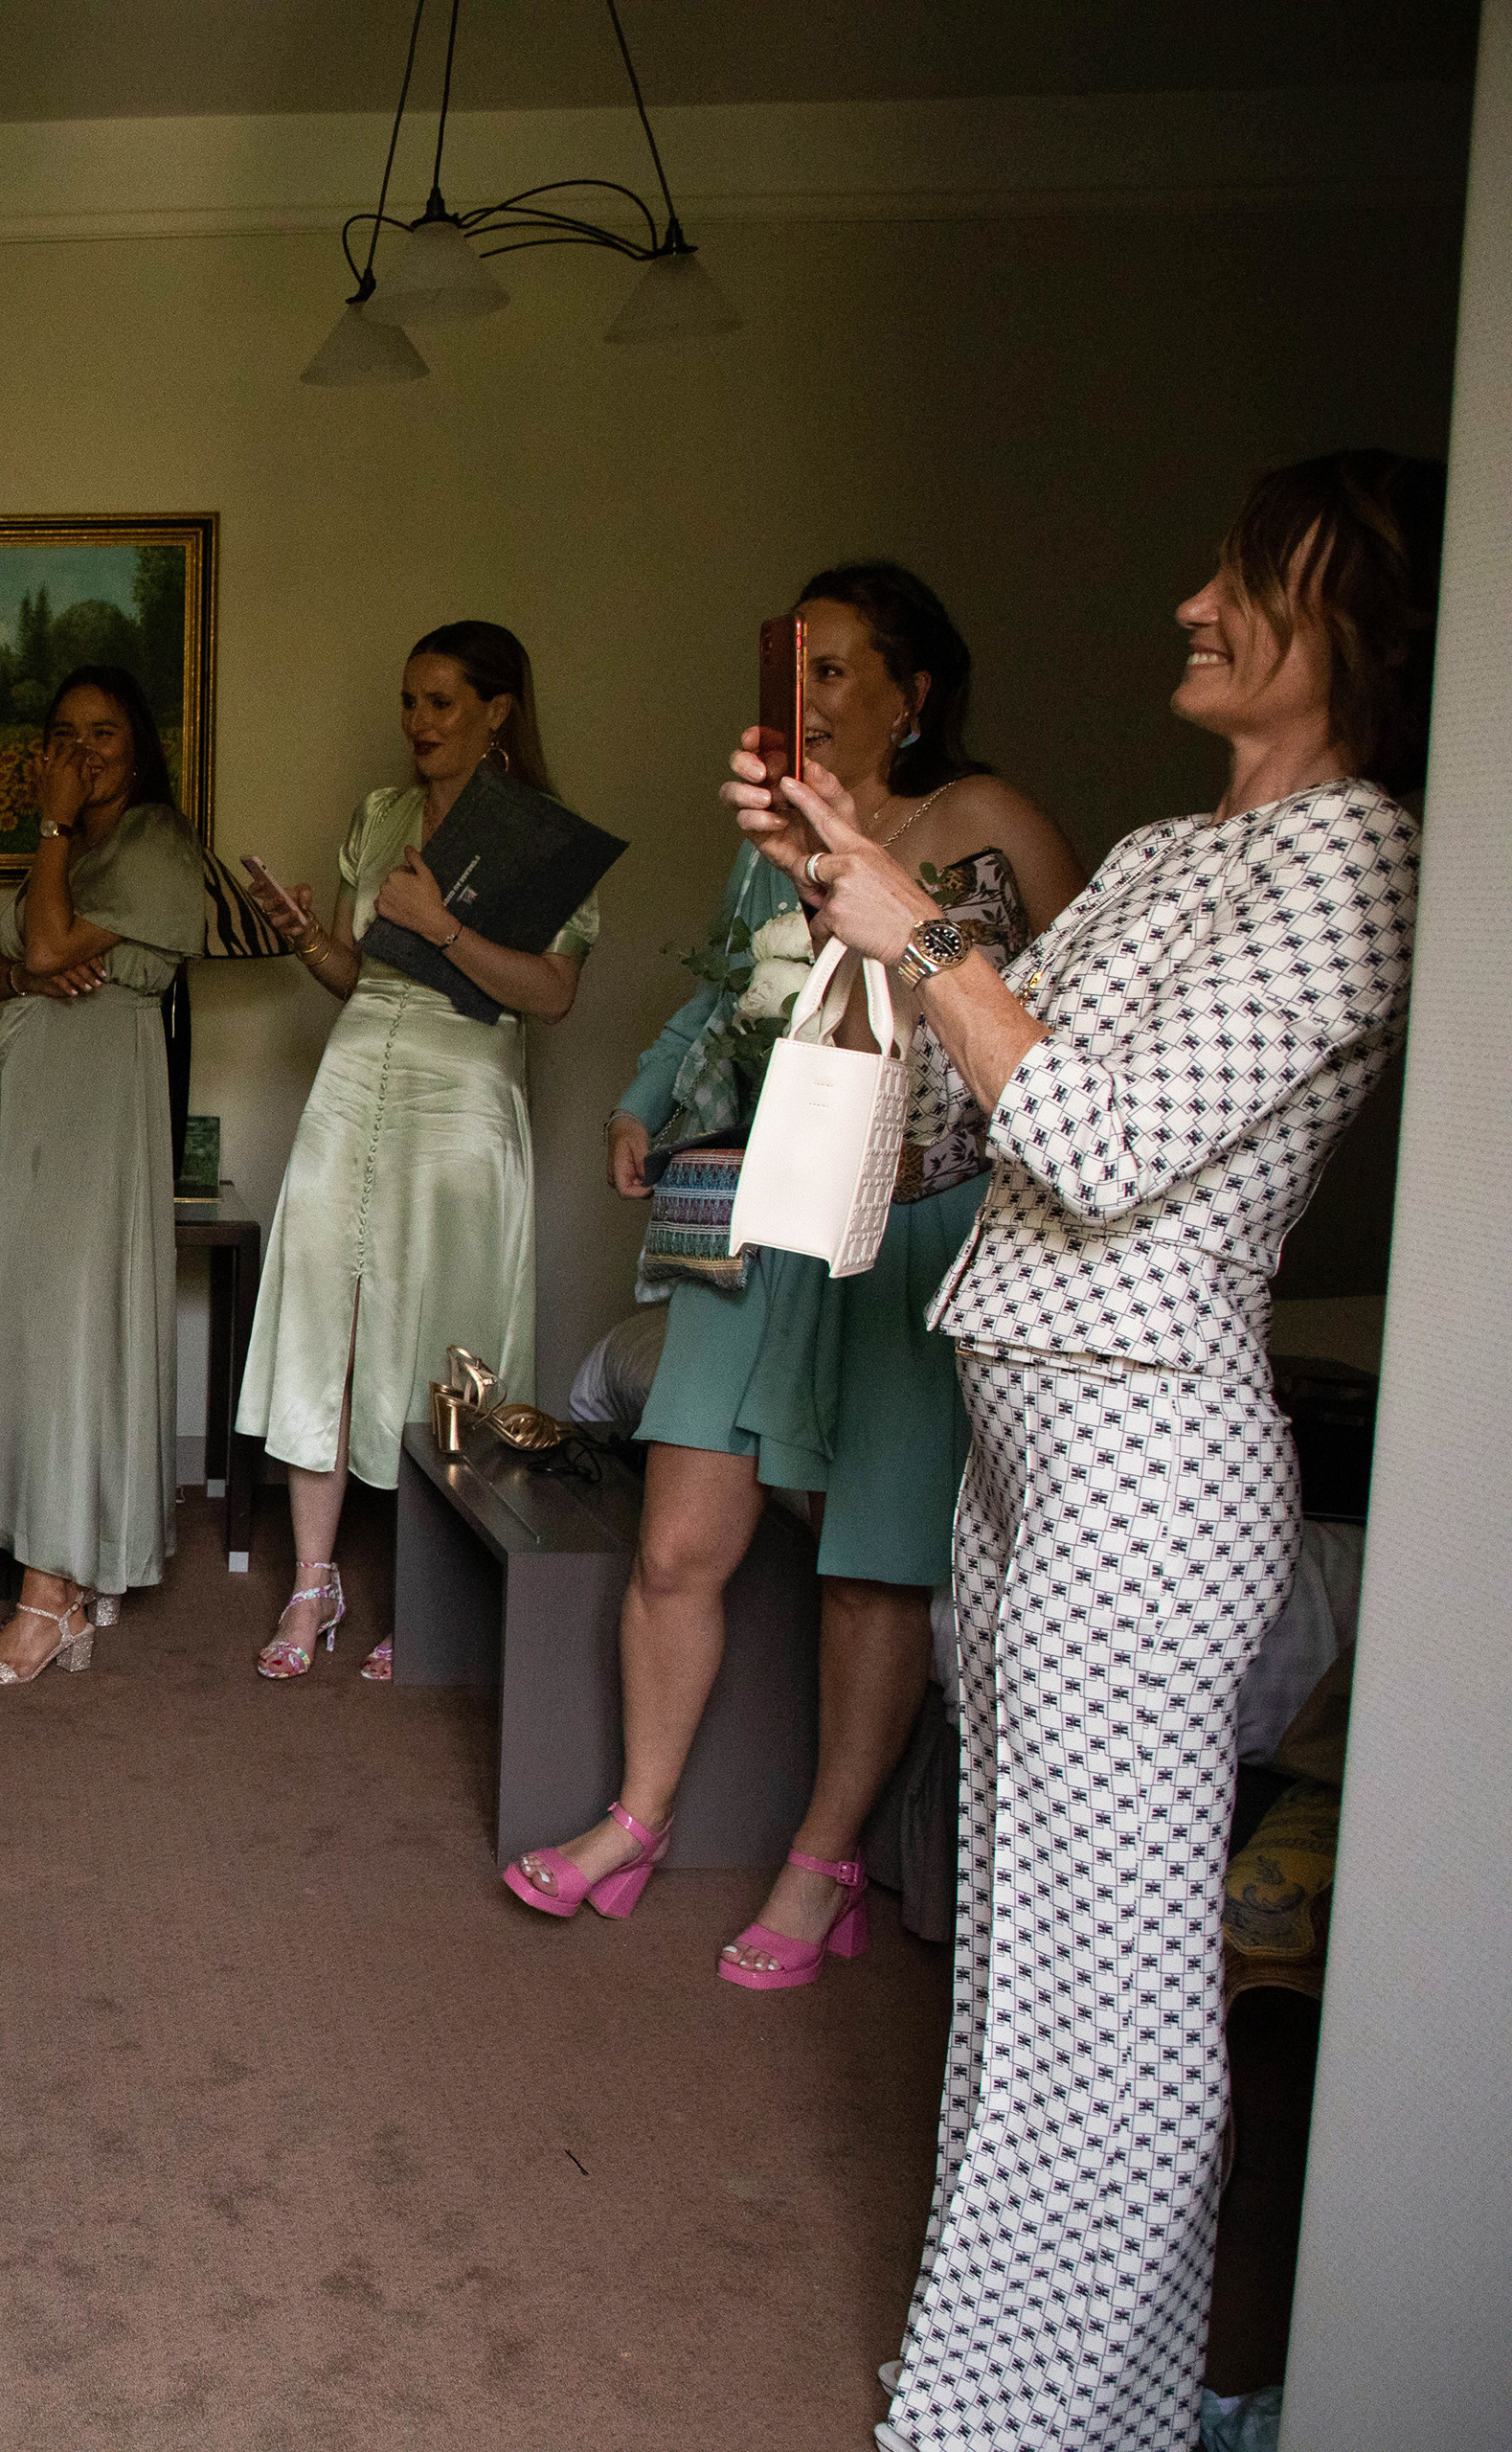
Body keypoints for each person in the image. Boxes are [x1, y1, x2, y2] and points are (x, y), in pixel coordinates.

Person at [737, 453, 1435, 2452]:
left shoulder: (1363, 860)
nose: (1193, 607)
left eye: (1244, 583)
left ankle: (1043, 2420)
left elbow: (1107, 1144)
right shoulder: (1155, 853)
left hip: (1148, 1445)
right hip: (1021, 1427)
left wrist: (919, 930)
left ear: (1356, 629)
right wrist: (844, 881)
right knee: (1021, 1953)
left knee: (1113, 1988)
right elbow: (979, 1097)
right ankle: (1022, 2390)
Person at [501, 566, 1083, 1986]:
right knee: (676, 1541)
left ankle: (825, 1867)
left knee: (872, 1566)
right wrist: (642, 1100)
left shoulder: (989, 821)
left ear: (913, 693)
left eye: (835, 670)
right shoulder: (773, 840)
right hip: (765, 1213)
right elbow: (718, 994)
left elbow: (1076, 1017)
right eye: (794, 667)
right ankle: (638, 1817)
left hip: (917, 1225)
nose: (806, 697)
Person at [233, 621, 598, 1682]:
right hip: (352, 1077)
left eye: (442, 702)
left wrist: (441, 926)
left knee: (448, 1334)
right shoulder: (379, 815)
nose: (418, 722)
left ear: (497, 711)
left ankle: (437, 1593)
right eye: (408, 701)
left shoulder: (543, 834)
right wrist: (306, 935)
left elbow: (552, 994)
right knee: (324, 1317)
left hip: (464, 1090)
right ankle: (314, 1583)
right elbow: (360, 974)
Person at [0, 667, 210, 1684]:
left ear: (138, 747)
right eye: (63, 734)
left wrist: (52, 830)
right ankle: (69, 1565)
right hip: (35, 1115)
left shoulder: (157, 846)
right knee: (35, 1334)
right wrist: (31, 967)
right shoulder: (69, 857)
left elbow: (54, 937)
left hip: (98, 1112)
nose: (81, 752)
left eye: (102, 733)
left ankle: (49, 1595)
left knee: (70, 1338)